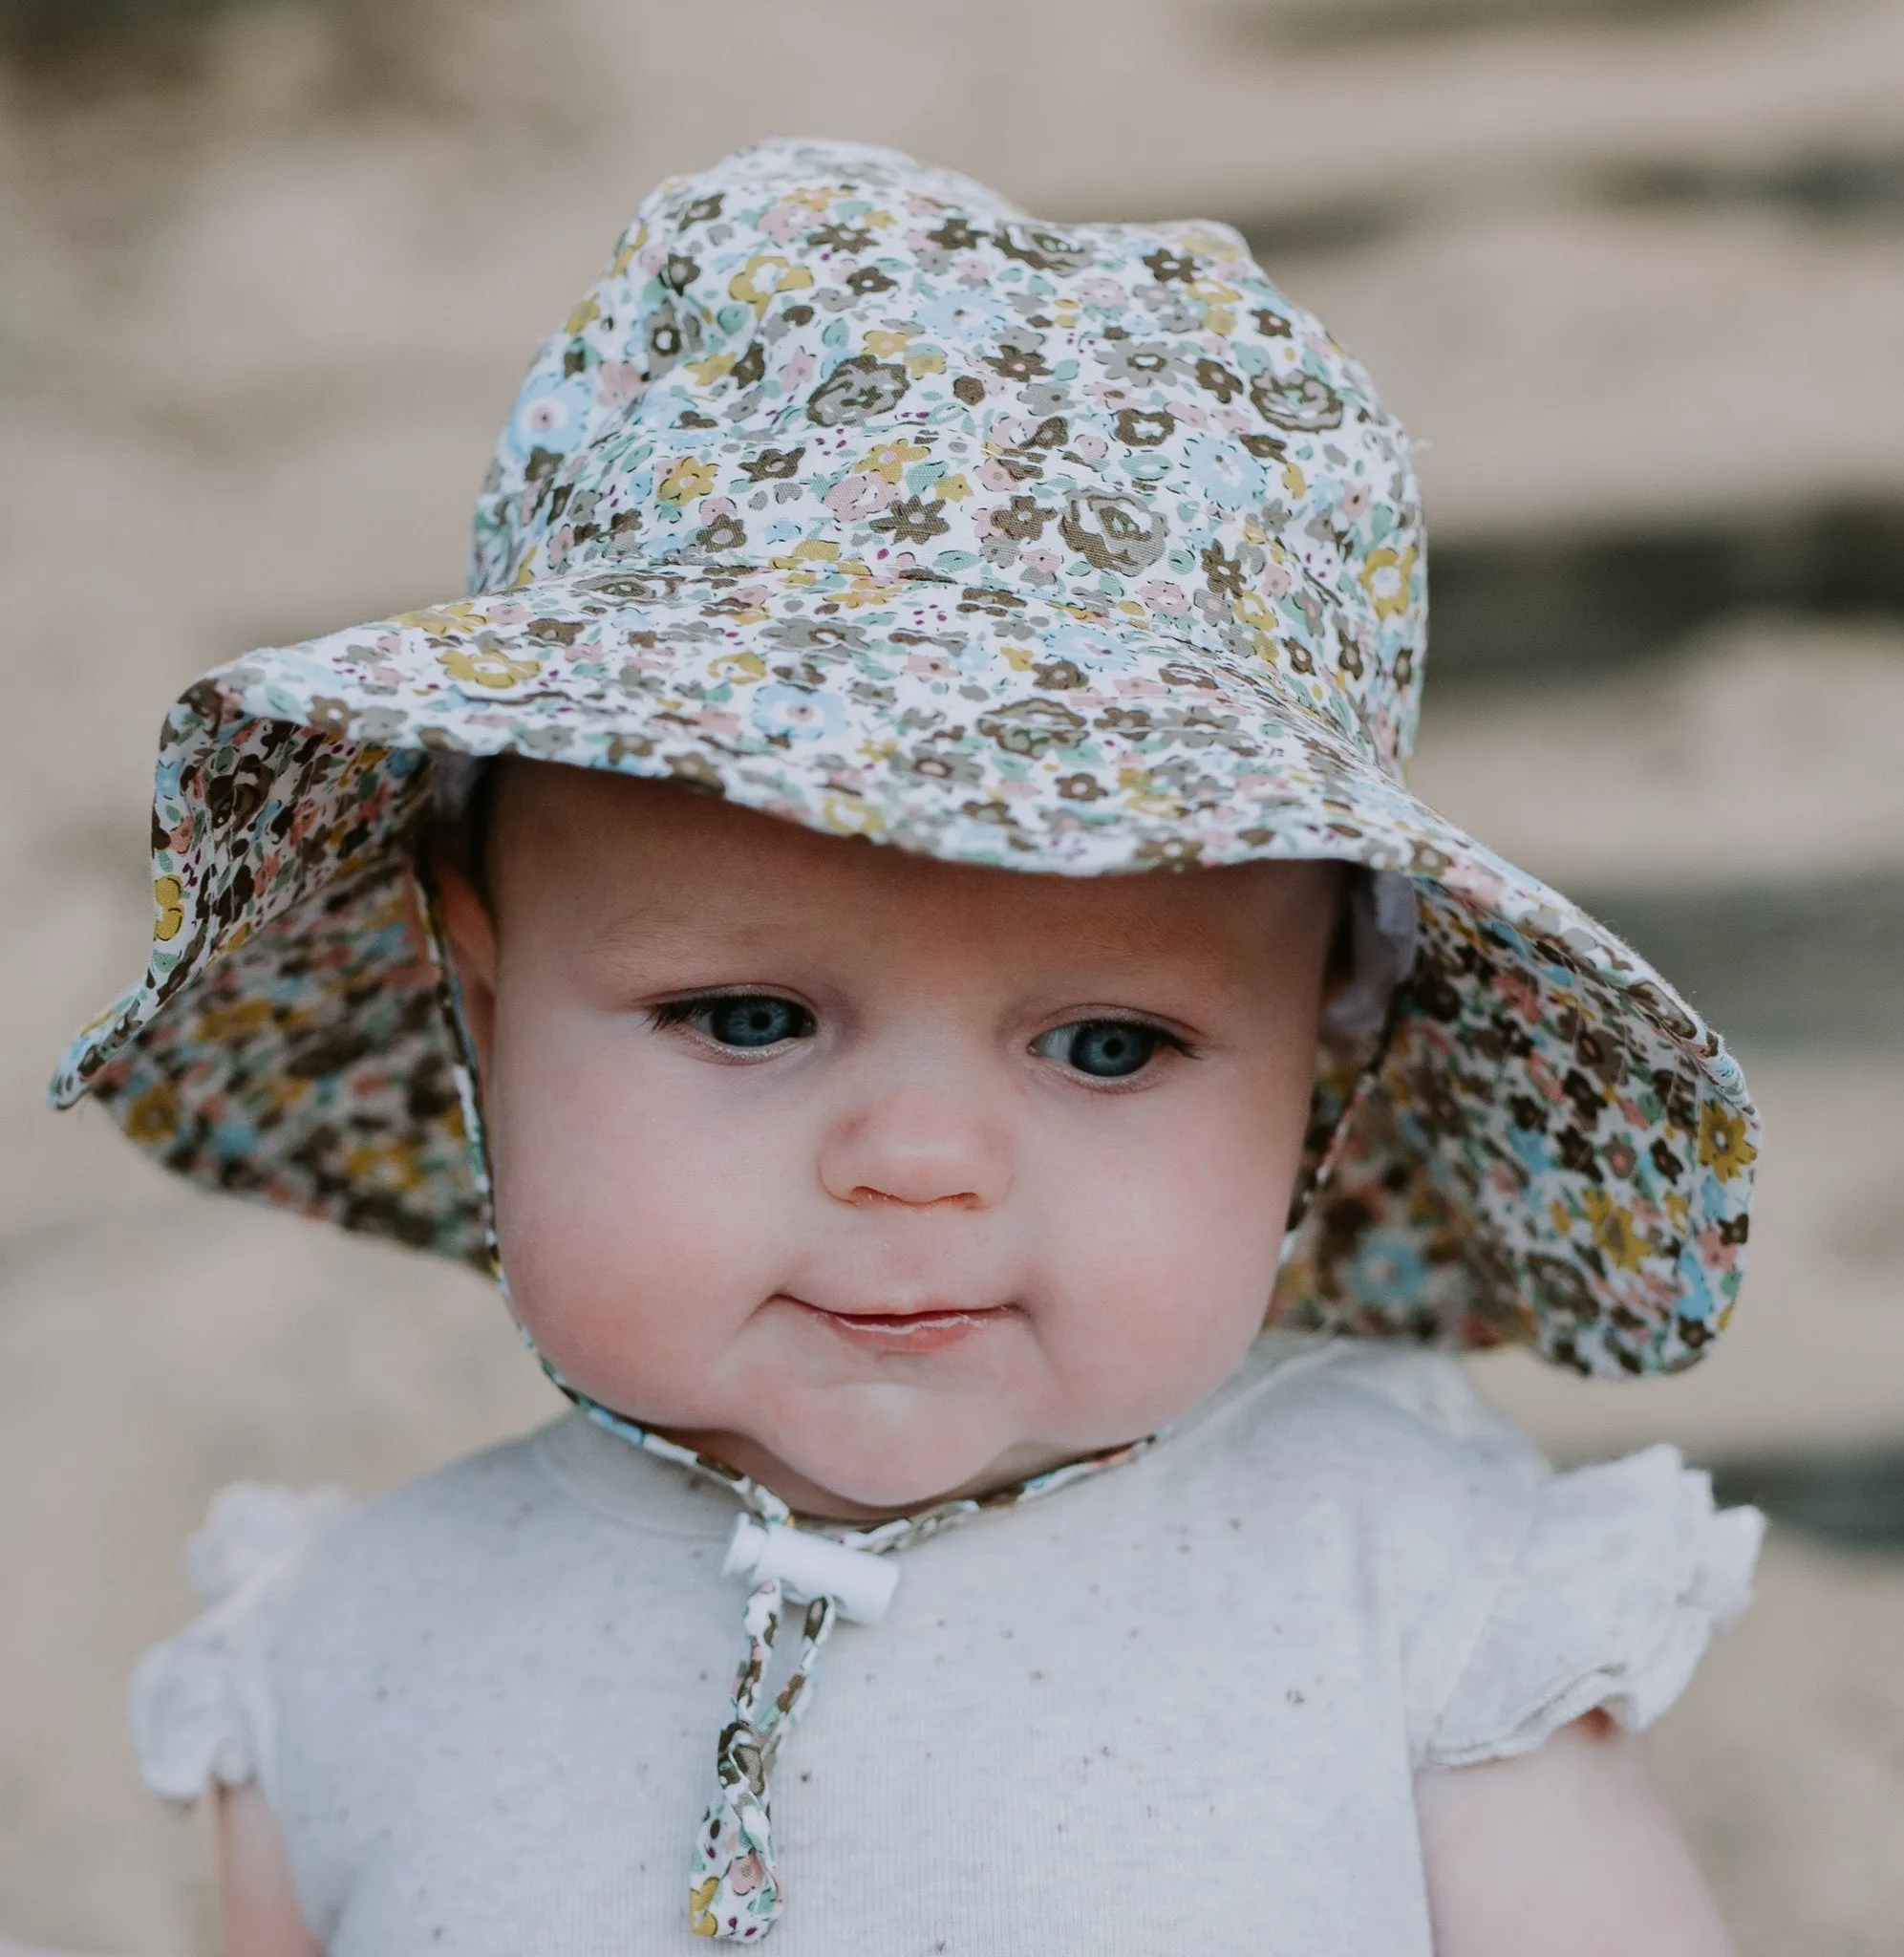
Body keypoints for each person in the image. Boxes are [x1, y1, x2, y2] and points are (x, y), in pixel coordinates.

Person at [53, 139, 1763, 1955]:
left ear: (1324, 1068)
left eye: (1109, 1044)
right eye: (748, 1018)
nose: (921, 1162)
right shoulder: (344, 1656)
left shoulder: (1423, 1590)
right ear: (478, 998)